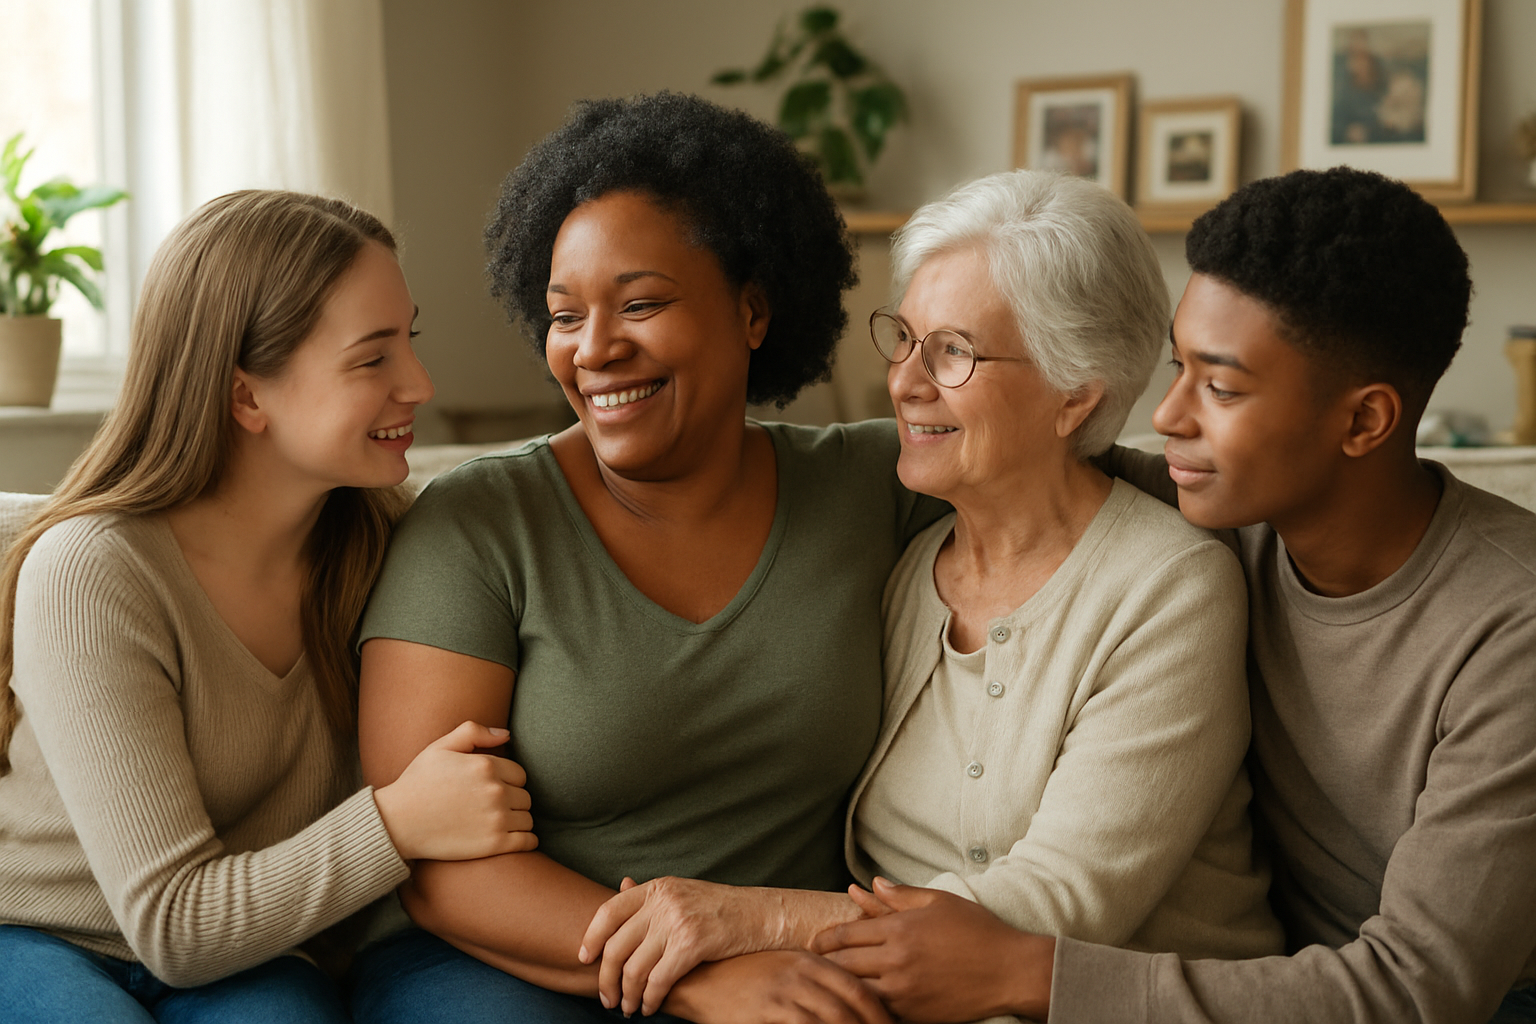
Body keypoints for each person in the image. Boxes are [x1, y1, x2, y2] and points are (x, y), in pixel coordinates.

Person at [805, 168, 1536, 1024]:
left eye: (1221, 389)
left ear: (1364, 422)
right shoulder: (1221, 505)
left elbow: (1418, 993)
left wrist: (1030, 975)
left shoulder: (1510, 630)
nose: (1171, 415)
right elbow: (1033, 462)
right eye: (1178, 367)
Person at [577, 170, 1284, 1018]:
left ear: (1077, 396)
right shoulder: (910, 568)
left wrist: (748, 917)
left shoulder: (1170, 589)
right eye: (903, 339)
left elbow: (1056, 907)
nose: (906, 384)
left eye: (954, 352)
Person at [348, 92, 947, 1024]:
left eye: (641, 304)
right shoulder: (479, 525)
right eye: (564, 316)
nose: (596, 350)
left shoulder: (876, 484)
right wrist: (702, 975)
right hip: (513, 973)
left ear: (752, 310)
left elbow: (1072, 470)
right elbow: (438, 870)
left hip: (789, 964)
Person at [0, 190, 536, 1024]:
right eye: (372, 359)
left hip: (257, 942)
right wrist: (397, 823)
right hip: (46, 935)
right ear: (247, 397)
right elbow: (173, 924)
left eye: (410, 341)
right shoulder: (92, 572)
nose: (421, 384)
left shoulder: (393, 544)